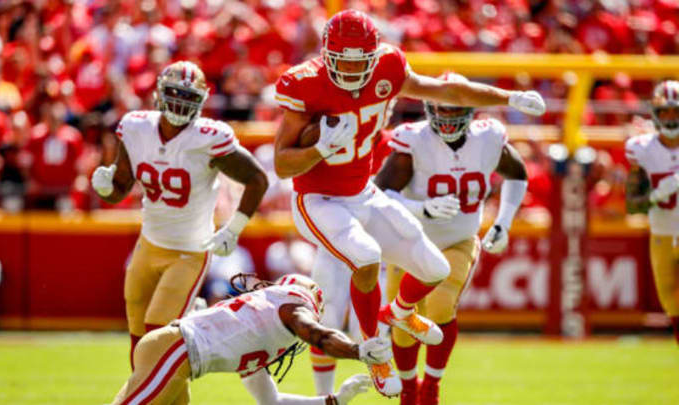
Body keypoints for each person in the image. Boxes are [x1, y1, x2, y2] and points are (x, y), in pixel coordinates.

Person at [273, 9, 544, 396]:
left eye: (359, 62)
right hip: (318, 198)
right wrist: (320, 146)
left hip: (362, 193)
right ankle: (375, 352)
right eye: (342, 61)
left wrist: (509, 96)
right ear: (326, 54)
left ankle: (397, 312)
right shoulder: (305, 84)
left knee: (433, 266)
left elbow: (448, 92)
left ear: (374, 54)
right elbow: (283, 165)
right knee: (364, 258)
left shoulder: (388, 67)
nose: (351, 71)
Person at [91, 61, 269, 371]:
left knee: (155, 336)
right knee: (138, 343)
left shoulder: (208, 137)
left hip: (189, 251)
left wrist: (233, 229)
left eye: (188, 96)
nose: (180, 102)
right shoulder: (135, 127)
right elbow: (120, 189)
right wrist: (106, 188)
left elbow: (257, 179)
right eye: (174, 93)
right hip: (148, 245)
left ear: (201, 101)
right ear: (160, 93)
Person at [374, 72, 529, 404]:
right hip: (409, 241)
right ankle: (407, 387)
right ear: (430, 108)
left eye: (454, 109)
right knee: (403, 321)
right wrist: (421, 208)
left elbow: (517, 174)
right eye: (441, 109)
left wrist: (503, 222)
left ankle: (431, 385)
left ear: (470, 110)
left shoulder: (488, 138)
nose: (447, 116)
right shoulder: (413, 139)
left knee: (442, 306)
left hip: (458, 239)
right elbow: (380, 193)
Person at [110, 273, 390, 405]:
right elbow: (319, 336)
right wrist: (358, 351)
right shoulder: (292, 306)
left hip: (177, 356)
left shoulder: (264, 330)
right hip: (176, 350)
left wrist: (335, 401)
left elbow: (272, 404)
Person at [625, 80, 679, 345]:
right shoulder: (641, 148)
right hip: (662, 234)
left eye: (675, 112)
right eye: (665, 112)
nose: (670, 118)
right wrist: (657, 194)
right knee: (671, 304)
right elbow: (632, 204)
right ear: (655, 114)